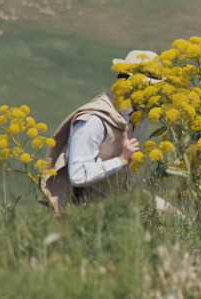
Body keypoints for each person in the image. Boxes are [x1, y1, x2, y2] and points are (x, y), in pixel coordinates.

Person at [41, 50, 159, 211]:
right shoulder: (94, 120)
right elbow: (78, 175)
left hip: (122, 200)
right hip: (86, 209)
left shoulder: (140, 117)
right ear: (132, 85)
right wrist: (122, 159)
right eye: (152, 88)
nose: (157, 94)